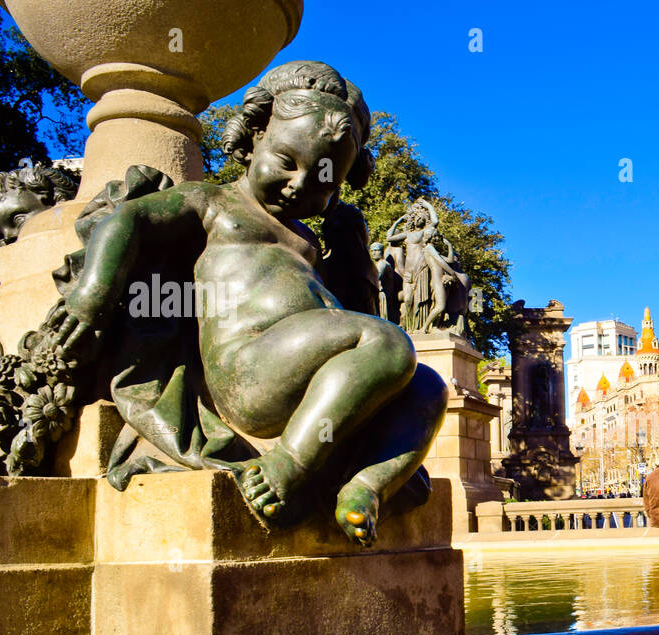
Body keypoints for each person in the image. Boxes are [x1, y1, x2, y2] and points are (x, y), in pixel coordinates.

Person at [52, 60, 448, 546]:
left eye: (324, 181)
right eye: (286, 161)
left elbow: (354, 308)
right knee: (388, 343)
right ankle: (287, 463)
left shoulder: (309, 241)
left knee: (428, 385)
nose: (301, 185)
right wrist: (92, 295)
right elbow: (128, 220)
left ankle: (365, 487)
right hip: (250, 372)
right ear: (255, 135)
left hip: (311, 380)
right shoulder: (215, 204)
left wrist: (352, 248)